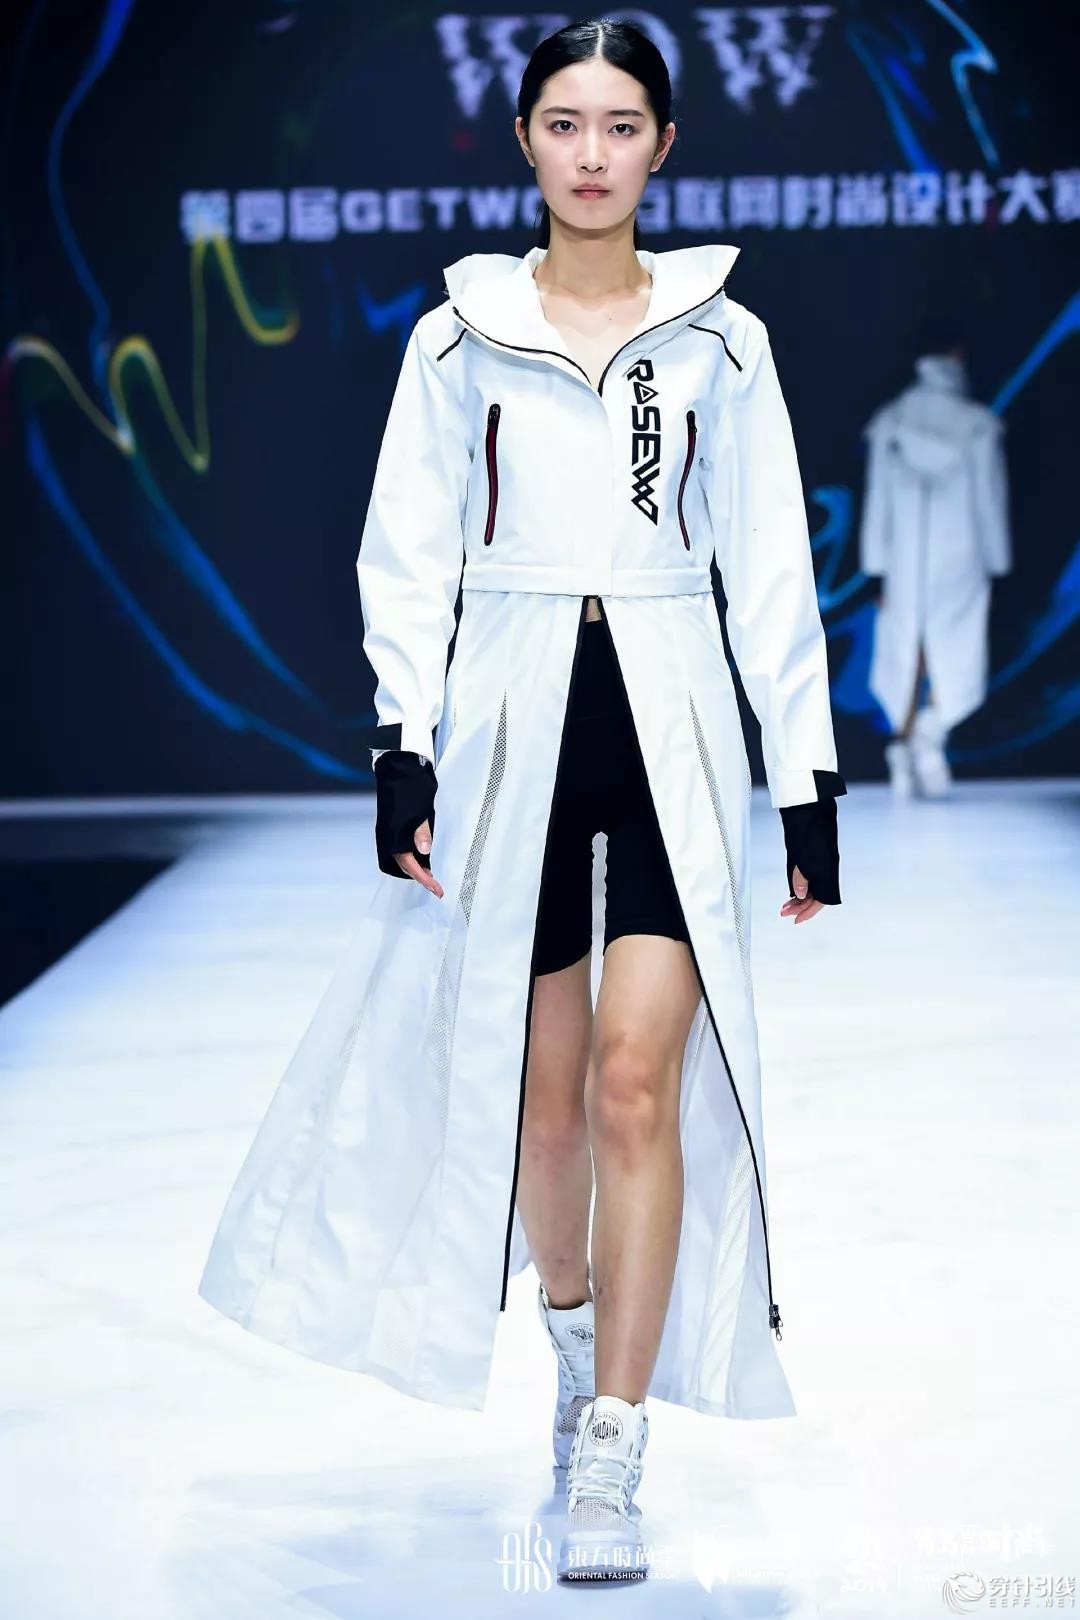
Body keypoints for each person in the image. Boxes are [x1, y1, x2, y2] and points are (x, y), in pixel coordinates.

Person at [197, 18, 847, 1586]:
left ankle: (616, 1439)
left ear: (664, 146)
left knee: (636, 1085)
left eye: (622, 125)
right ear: (524, 139)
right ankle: (571, 1342)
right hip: (511, 732)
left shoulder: (722, 340)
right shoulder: (456, 339)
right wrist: (400, 744)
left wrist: (807, 780)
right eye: (566, 122)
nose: (593, 153)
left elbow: (769, 562)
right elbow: (408, 551)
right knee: (542, 1110)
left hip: (673, 729)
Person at [859, 314, 1012, 798]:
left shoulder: (892, 421)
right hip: (962, 554)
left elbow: (877, 501)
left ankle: (904, 746)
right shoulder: (976, 424)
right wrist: (998, 561)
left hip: (903, 557)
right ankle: (930, 733)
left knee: (906, 649)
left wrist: (875, 567)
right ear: (957, 355)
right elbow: (990, 499)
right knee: (956, 647)